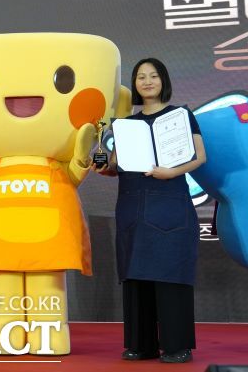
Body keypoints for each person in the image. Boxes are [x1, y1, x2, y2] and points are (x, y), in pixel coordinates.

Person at [94, 57, 206, 363]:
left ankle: (177, 346)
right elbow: (116, 165)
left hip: (170, 205)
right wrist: (103, 166)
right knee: (136, 275)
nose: (147, 81)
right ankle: (141, 344)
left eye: (153, 76)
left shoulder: (180, 116)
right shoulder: (126, 124)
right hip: (132, 207)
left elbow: (199, 156)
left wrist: (172, 172)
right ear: (135, 84)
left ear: (163, 80)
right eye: (141, 77)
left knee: (171, 275)